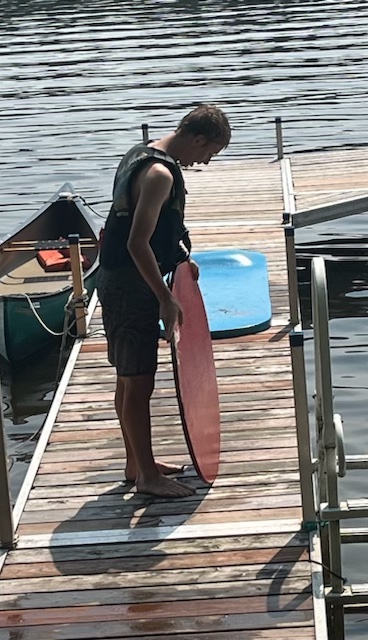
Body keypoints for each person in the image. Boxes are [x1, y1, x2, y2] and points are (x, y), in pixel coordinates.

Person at [96, 104, 231, 498]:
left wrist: (181, 260)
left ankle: (137, 461)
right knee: (138, 381)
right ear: (198, 138)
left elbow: (149, 232)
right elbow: (137, 243)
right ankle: (147, 479)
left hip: (122, 279)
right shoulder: (158, 174)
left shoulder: (143, 153)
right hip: (129, 285)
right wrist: (165, 299)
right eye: (209, 153)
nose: (203, 162)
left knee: (129, 376)